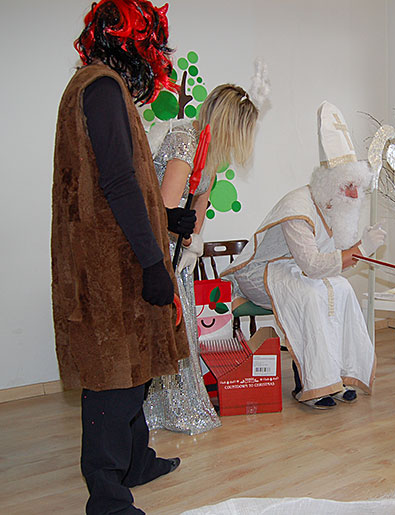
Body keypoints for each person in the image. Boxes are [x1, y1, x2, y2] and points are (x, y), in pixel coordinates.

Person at [51, 1, 190, 512]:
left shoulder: (94, 85)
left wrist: (167, 219)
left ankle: (135, 461)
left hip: (113, 254)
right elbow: (117, 182)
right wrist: (153, 263)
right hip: (113, 263)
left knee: (134, 368)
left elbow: (117, 181)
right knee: (114, 377)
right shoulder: (103, 88)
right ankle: (108, 497)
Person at [222, 101, 386, 409]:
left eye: (358, 187)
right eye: (349, 186)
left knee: (342, 289)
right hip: (262, 274)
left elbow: (328, 262)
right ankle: (311, 383)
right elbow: (312, 265)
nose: (355, 195)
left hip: (295, 271)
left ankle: (338, 376)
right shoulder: (297, 207)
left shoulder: (333, 206)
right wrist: (361, 250)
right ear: (331, 183)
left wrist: (359, 247)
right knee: (311, 296)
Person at [144, 65, 269, 434]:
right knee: (165, 331)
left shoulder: (209, 154)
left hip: (178, 254)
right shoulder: (185, 142)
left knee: (182, 332)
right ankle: (157, 411)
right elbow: (165, 210)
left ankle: (177, 407)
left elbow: (197, 209)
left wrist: (192, 243)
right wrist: (181, 241)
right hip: (157, 252)